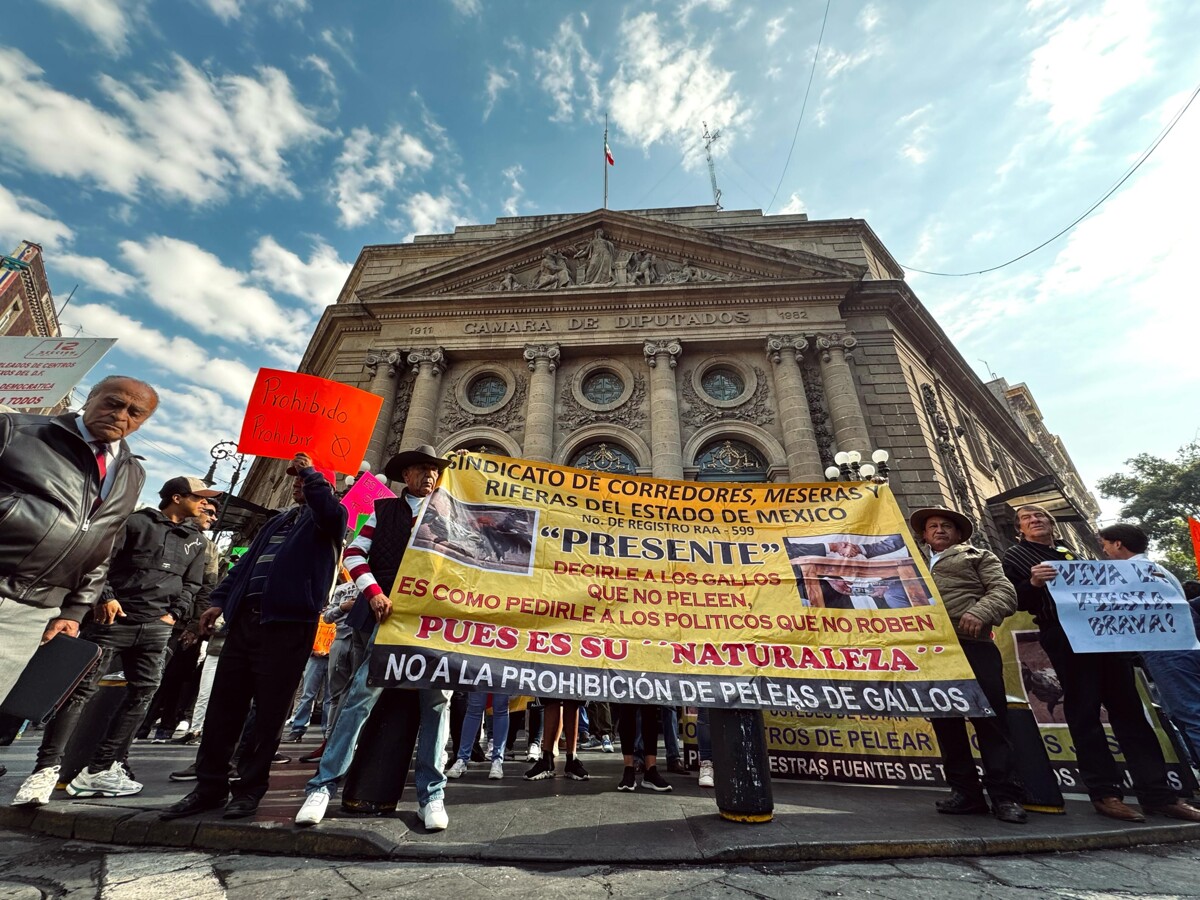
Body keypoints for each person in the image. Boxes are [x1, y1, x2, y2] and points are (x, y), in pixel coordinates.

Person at [161, 453, 347, 821]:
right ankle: (209, 786)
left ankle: (249, 789)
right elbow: (244, 566)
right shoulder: (276, 522)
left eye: (304, 482)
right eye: (294, 481)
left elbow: (326, 506)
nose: (297, 485)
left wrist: (311, 473)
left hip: (289, 626)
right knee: (223, 710)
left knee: (268, 714)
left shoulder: (330, 520)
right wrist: (218, 600)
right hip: (245, 623)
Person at [12, 475, 213, 806]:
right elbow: (101, 562)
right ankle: (44, 771)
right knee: (79, 693)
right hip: (112, 622)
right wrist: (104, 596)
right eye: (200, 497)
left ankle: (102, 767)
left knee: (143, 694)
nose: (206, 503)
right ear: (177, 498)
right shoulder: (135, 522)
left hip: (156, 629)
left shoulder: (196, 540)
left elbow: (193, 584)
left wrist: (173, 615)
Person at [293, 444, 458, 830]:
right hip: (387, 619)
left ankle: (432, 796)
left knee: (436, 705)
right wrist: (373, 591)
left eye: (434, 470)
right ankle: (322, 787)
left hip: (433, 625)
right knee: (359, 700)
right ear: (407, 476)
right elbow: (353, 554)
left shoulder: (452, 515)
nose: (430, 475)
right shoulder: (382, 512)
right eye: (421, 469)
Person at [1002, 504, 1200, 823]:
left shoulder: (1073, 555)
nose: (1035, 520)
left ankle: (1159, 795)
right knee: (1085, 713)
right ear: (1019, 529)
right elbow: (1015, 601)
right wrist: (1034, 583)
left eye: (1040, 516)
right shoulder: (1016, 556)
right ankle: (1105, 793)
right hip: (1064, 637)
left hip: (1104, 637)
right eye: (1027, 518)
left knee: (1131, 712)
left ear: (1052, 524)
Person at [0, 375, 156, 709]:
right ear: (91, 398)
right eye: (113, 402)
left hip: (33, 610)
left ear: (142, 422)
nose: (120, 415)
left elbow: (102, 540)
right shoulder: (17, 430)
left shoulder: (132, 473)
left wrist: (74, 609)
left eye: (134, 412)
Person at [910, 506, 1026, 824]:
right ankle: (966, 793)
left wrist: (980, 611)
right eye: (933, 526)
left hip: (972, 643)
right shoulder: (909, 561)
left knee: (989, 721)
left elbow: (1004, 591)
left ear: (959, 533)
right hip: (931, 649)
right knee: (946, 722)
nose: (939, 530)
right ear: (924, 534)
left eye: (947, 526)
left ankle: (1005, 796)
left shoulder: (978, 556)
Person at [1097, 523, 1200, 766]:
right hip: (1185, 645)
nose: (1104, 551)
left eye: (1105, 544)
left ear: (1118, 544)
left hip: (1166, 651)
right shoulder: (1161, 570)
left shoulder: (1128, 573)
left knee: (1191, 712)